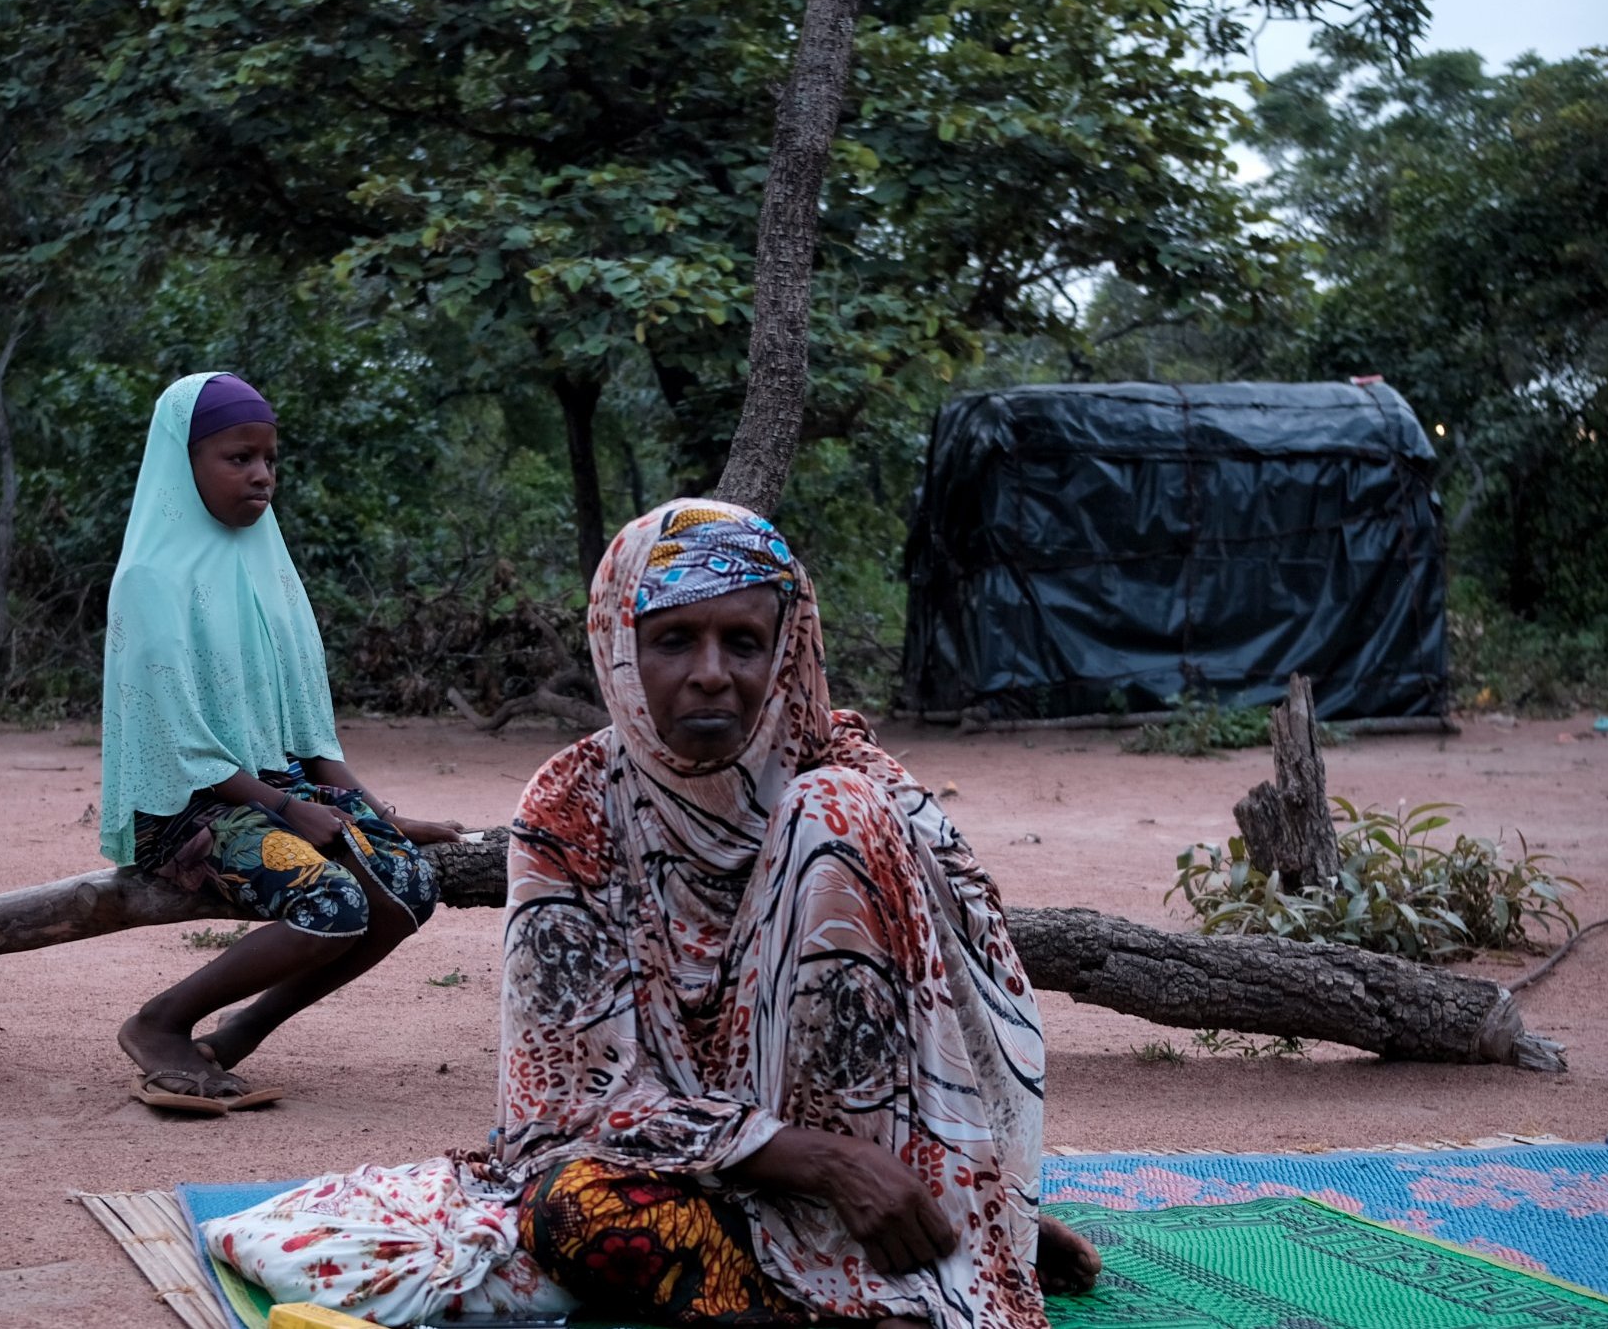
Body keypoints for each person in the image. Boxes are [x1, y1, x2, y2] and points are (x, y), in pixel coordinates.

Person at [495, 500, 1099, 1329]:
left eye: (743, 642)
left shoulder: (858, 783)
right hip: (691, 1164)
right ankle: (864, 1278)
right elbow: (570, 1106)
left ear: (785, 652)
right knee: (571, 1211)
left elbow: (977, 1015)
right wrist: (820, 1164)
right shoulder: (570, 807)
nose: (711, 672)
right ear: (621, 648)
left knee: (835, 810)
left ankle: (945, 1230)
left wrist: (986, 1185)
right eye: (675, 640)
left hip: (882, 1169)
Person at [100, 371, 464, 1113]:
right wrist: (288, 808)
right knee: (332, 900)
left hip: (275, 794)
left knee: (409, 885)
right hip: (184, 811)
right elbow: (180, 742)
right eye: (238, 458)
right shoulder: (149, 578)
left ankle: (240, 1033)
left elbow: (309, 733)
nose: (262, 475)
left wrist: (380, 815)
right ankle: (159, 1024)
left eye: (269, 458)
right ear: (184, 464)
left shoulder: (268, 568)